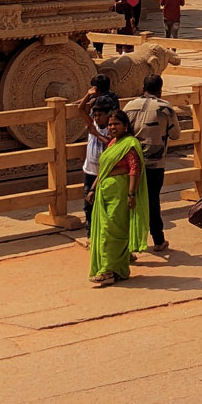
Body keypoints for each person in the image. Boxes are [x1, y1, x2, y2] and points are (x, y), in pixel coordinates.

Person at [87, 109, 149, 287]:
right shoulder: (113, 143)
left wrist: (131, 193)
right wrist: (92, 189)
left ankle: (107, 271)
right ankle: (119, 270)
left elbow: (134, 170)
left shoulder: (130, 144)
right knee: (104, 231)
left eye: (116, 124)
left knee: (111, 233)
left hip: (120, 195)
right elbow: (104, 169)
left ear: (126, 126)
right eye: (110, 125)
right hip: (105, 193)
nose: (112, 127)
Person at [122, 73, 180, 254]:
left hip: (131, 162)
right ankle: (158, 240)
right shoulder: (165, 108)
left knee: (130, 200)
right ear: (160, 89)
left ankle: (127, 242)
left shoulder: (129, 106)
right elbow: (175, 135)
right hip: (155, 163)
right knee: (153, 201)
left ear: (143, 87)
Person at [77, 88, 117, 225]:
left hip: (105, 173)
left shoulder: (112, 128)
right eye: (95, 115)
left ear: (108, 115)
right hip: (90, 171)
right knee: (88, 206)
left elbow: (111, 144)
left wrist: (96, 134)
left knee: (105, 205)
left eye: (100, 115)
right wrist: (87, 94)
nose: (97, 118)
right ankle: (89, 234)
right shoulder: (92, 123)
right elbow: (80, 109)